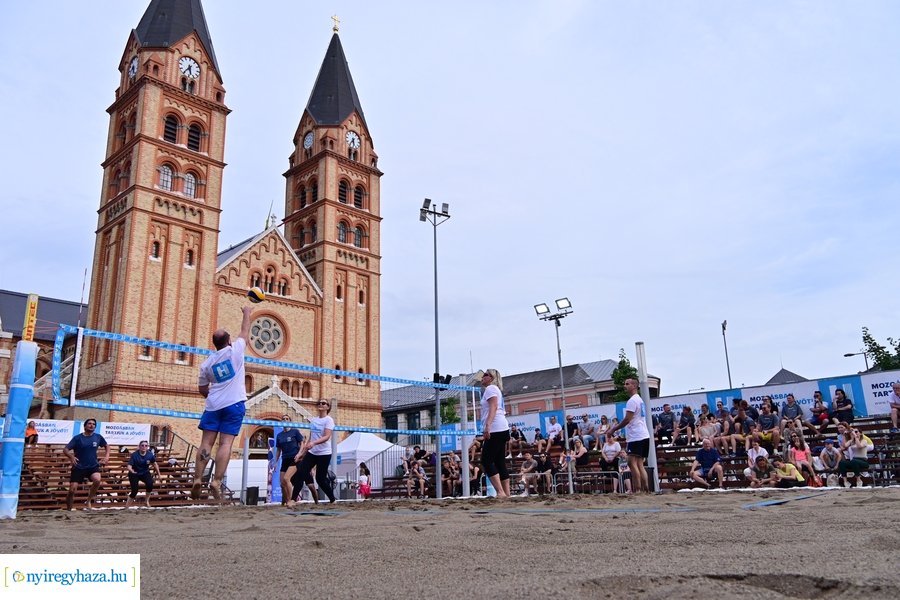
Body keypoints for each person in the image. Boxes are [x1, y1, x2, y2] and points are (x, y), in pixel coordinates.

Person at [193, 305, 252, 501]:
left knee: (206, 442)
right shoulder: (235, 351)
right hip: (234, 404)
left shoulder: (207, 364)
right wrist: (246, 312)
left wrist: (212, 399)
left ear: (214, 344)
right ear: (228, 341)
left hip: (213, 406)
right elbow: (245, 332)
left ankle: (197, 478)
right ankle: (216, 481)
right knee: (226, 443)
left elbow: (202, 389)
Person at [606, 378, 651, 494]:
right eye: (624, 383)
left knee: (632, 463)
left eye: (627, 384)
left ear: (634, 386)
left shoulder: (632, 401)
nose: (625, 386)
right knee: (640, 464)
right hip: (643, 434)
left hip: (636, 436)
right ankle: (646, 489)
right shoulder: (640, 400)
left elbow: (627, 419)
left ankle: (638, 489)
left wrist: (613, 429)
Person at [290, 399, 337, 504]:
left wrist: (314, 443)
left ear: (328, 407)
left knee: (320, 479)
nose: (320, 404)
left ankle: (332, 499)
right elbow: (311, 439)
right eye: (319, 403)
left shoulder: (328, 420)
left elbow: (326, 437)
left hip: (324, 453)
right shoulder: (314, 420)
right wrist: (301, 454)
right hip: (312, 453)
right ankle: (293, 500)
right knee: (301, 473)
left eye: (323, 403)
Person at [63, 418, 109, 510]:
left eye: (93, 424)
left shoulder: (98, 437)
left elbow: (107, 446)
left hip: (92, 466)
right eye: (89, 423)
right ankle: (69, 510)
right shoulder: (77, 438)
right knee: (72, 490)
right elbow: (65, 449)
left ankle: (88, 501)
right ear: (85, 426)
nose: (92, 425)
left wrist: (106, 457)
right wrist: (71, 457)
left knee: (97, 480)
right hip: (79, 466)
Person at [479, 369, 511, 498]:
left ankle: (500, 492)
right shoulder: (495, 389)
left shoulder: (490, 389)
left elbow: (493, 407)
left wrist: (488, 426)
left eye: (485, 375)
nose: (482, 377)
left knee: (486, 460)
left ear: (491, 378)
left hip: (496, 428)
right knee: (499, 462)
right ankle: (506, 493)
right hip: (502, 428)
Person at [273, 415, 304, 505]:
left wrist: (299, 454)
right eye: (283, 419)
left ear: (290, 421)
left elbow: (302, 443)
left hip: (294, 458)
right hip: (285, 459)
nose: (285, 420)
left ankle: (292, 500)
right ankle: (286, 501)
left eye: (287, 419)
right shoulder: (279, 435)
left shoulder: (295, 431)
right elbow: (278, 450)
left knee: (287, 479)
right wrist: (275, 462)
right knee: (282, 483)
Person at [126, 440, 161, 508]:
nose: (144, 447)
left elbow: (155, 464)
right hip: (134, 473)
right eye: (142, 445)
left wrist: (159, 474)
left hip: (144, 472)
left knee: (150, 484)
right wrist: (131, 470)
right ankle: (127, 506)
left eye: (146, 445)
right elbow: (129, 466)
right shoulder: (134, 455)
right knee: (134, 491)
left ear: (147, 447)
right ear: (139, 447)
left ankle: (146, 501)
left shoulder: (150, 454)